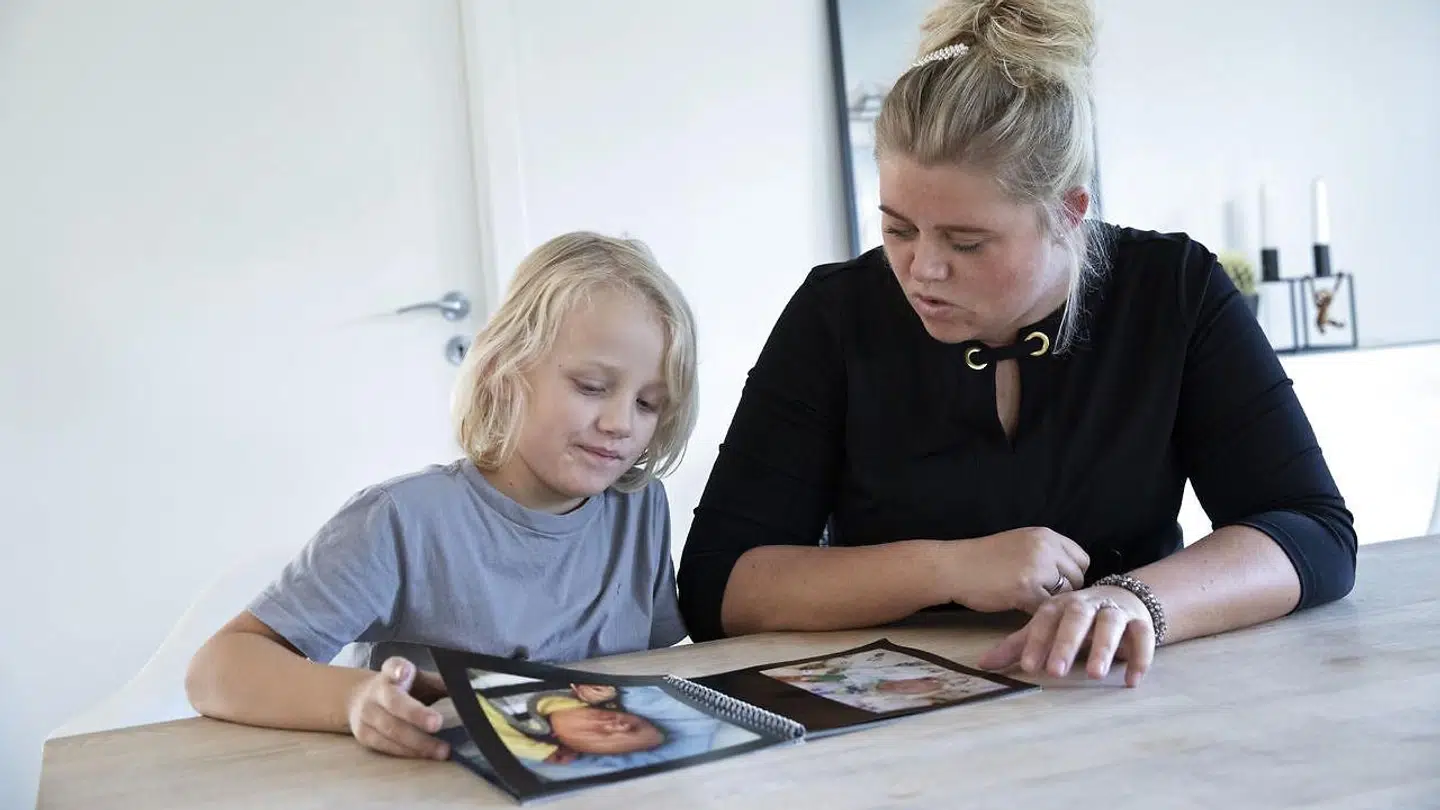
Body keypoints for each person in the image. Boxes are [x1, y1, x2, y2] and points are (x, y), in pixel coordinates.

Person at [677, 0, 1356, 689]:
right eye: (898, 229)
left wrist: (1135, 600)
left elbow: (1313, 532)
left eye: (966, 241)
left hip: (1117, 698)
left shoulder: (1174, 291)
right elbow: (718, 586)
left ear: (1069, 212)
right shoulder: (836, 313)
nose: (922, 270)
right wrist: (948, 566)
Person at [186, 231, 700, 761]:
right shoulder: (401, 521)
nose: (620, 423)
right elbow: (219, 668)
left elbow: (653, 660)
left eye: (647, 403)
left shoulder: (639, 507)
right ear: (505, 372)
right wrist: (355, 700)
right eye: (591, 386)